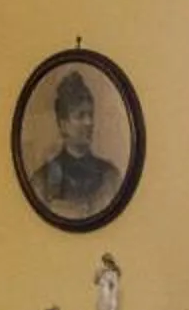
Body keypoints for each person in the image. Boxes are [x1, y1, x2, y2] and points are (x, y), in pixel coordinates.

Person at [29, 69, 122, 215]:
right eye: (80, 116)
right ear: (63, 124)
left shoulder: (110, 177)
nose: (89, 122)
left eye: (91, 115)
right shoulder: (42, 181)